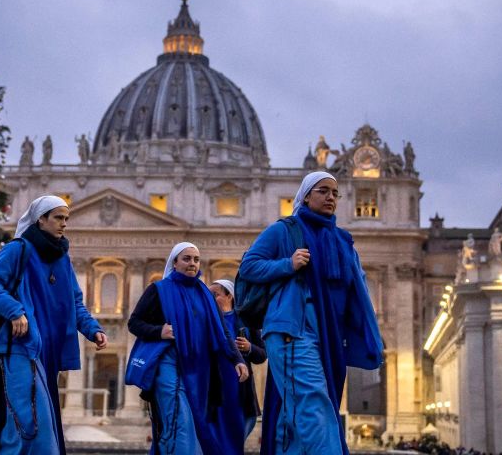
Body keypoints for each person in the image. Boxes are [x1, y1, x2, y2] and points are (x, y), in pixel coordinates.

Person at [239, 171, 384, 455]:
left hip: (328, 332)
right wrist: (287, 265)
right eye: (322, 191)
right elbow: (248, 266)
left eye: (335, 192)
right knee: (314, 404)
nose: (330, 197)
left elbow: (356, 289)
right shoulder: (285, 230)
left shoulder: (343, 241)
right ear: (305, 195)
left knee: (294, 415)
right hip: (293, 328)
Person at [0, 196, 108, 455]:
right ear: (40, 219)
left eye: (66, 219)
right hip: (21, 345)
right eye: (58, 218)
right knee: (29, 421)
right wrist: (15, 311)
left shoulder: (62, 258)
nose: (64, 224)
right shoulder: (18, 249)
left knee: (36, 419)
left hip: (49, 350)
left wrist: (93, 329)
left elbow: (74, 302)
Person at [128, 243, 249, 454]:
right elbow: (134, 322)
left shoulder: (207, 295)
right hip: (169, 362)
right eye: (186, 259)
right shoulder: (158, 290)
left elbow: (223, 332)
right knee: (179, 419)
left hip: (198, 370)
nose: (192, 263)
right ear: (174, 262)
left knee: (193, 423)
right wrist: (159, 331)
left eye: (196, 259)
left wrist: (237, 359)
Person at [209, 278, 267, 439]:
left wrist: (249, 348)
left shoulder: (247, 321)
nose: (211, 299)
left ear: (230, 296)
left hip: (242, 391)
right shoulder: (207, 321)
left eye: (215, 294)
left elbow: (262, 355)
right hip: (214, 389)